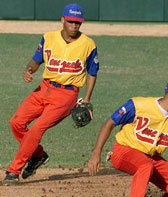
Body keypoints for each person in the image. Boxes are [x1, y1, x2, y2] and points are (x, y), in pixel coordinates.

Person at [2, 3, 99, 185]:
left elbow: (92, 72)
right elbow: (36, 60)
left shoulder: (88, 44)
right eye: (70, 22)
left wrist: (86, 99)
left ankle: (14, 170)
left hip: (66, 95)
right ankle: (38, 155)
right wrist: (28, 70)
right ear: (62, 20)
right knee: (16, 122)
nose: (74, 26)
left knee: (37, 129)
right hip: (43, 88)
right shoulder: (48, 37)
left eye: (78, 22)